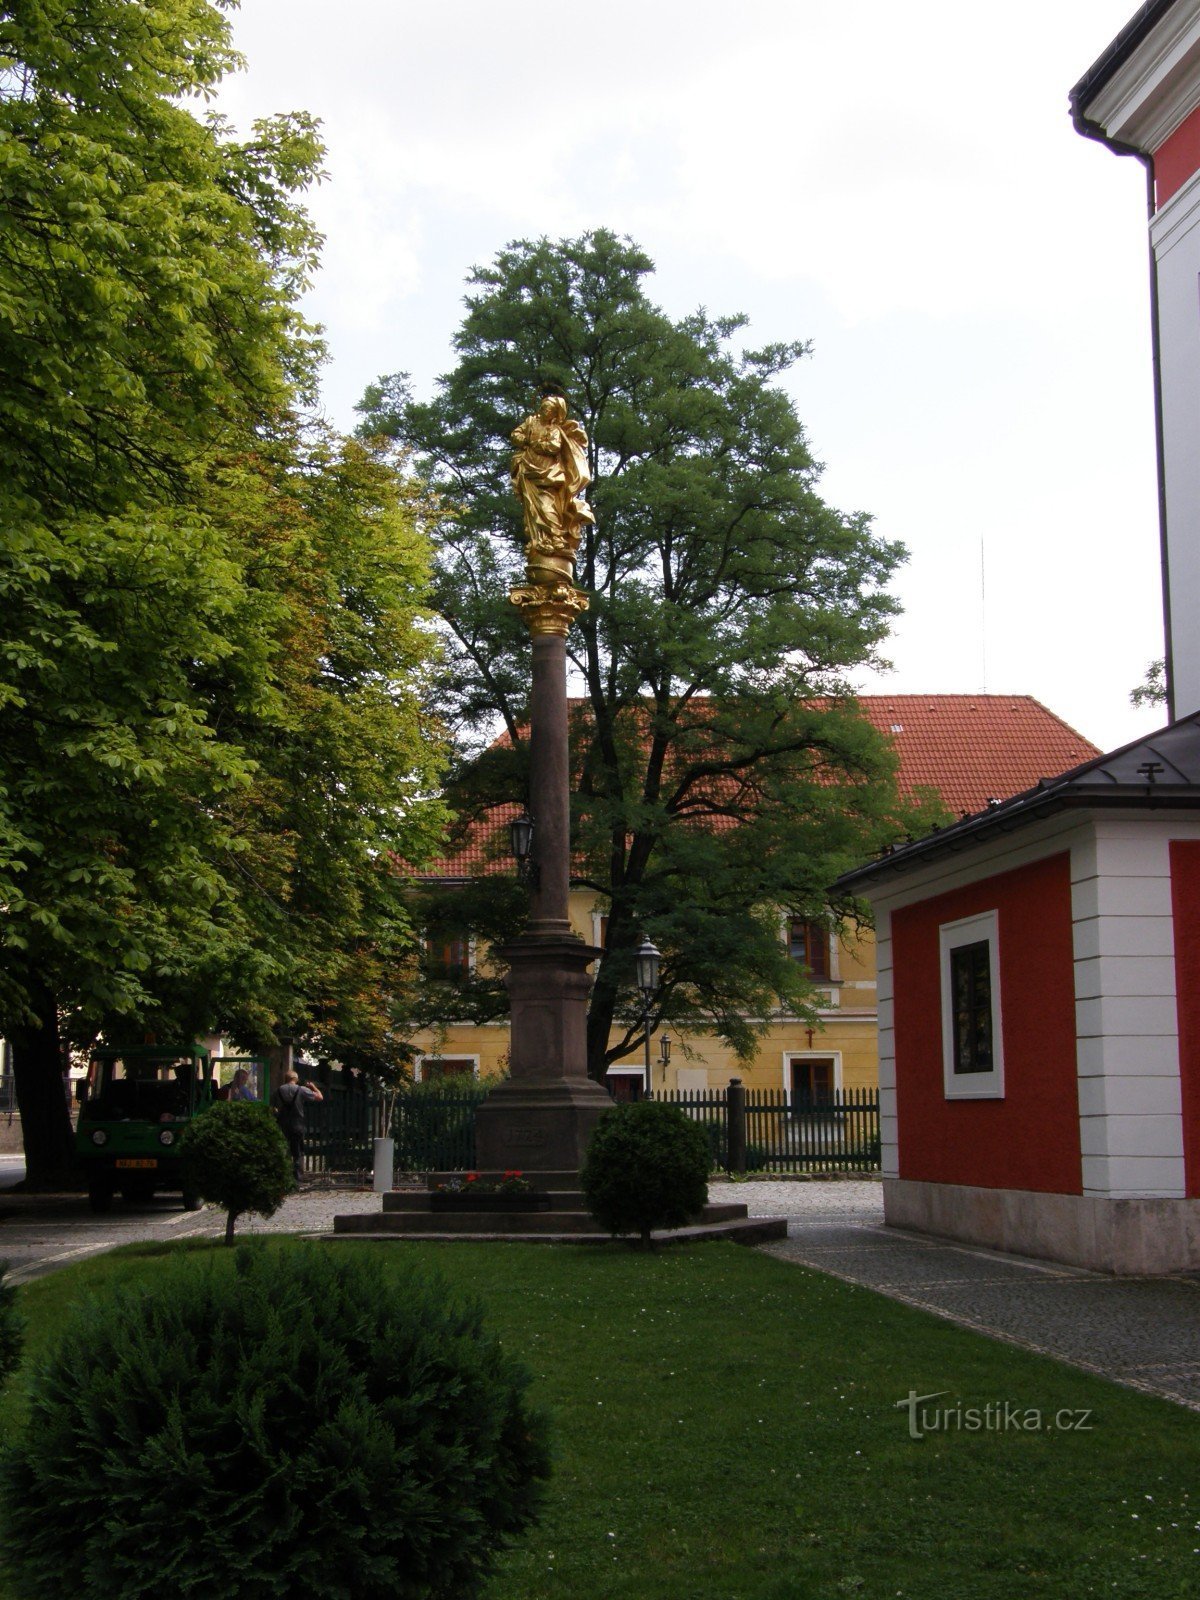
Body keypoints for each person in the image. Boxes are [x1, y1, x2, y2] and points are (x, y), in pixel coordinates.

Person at [271, 1069, 323, 1183]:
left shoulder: (278, 1090)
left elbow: (272, 1106)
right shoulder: (301, 1090)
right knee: (297, 1150)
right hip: (297, 1123)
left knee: (283, 1147)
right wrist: (313, 1087)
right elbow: (320, 1097)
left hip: (283, 1123)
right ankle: (297, 1176)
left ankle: (283, 1175)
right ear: (296, 1079)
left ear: (286, 1079)